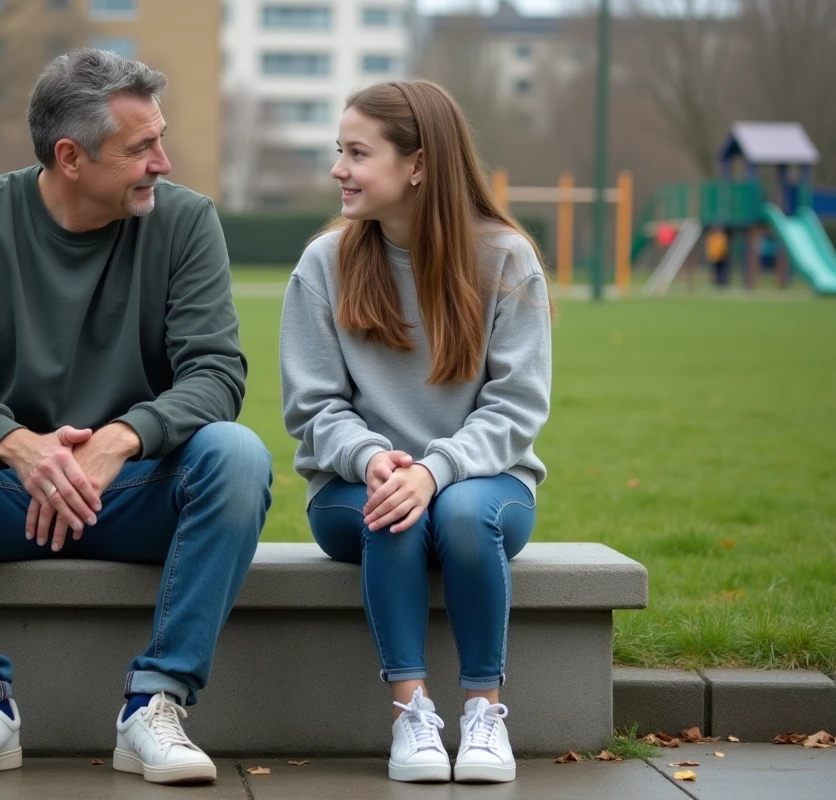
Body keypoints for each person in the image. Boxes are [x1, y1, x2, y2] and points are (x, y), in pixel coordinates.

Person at [0, 49, 272, 786]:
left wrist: (121, 439)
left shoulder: (187, 223)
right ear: (70, 157)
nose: (163, 162)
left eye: (160, 139)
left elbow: (216, 374)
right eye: (141, 148)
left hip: (133, 492)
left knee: (237, 456)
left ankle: (156, 703)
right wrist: (17, 446)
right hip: (5, 495)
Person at [279, 80, 552, 785]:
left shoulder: (506, 259)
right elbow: (312, 407)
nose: (338, 168)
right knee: (391, 512)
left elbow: (517, 405)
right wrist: (372, 457)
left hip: (485, 486)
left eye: (357, 153)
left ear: (418, 164)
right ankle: (411, 716)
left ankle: (485, 714)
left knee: (458, 514)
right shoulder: (324, 264)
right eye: (339, 151)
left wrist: (435, 470)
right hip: (352, 488)